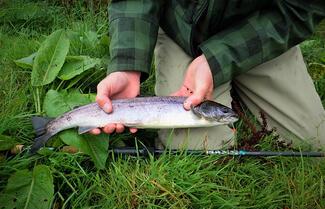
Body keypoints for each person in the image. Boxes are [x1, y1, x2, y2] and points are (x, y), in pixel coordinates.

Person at [91, 1, 325, 150]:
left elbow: (302, 9)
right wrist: (127, 65)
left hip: (260, 35)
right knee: (197, 151)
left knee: (315, 143)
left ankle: (233, 91)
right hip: (183, 33)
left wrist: (216, 60)